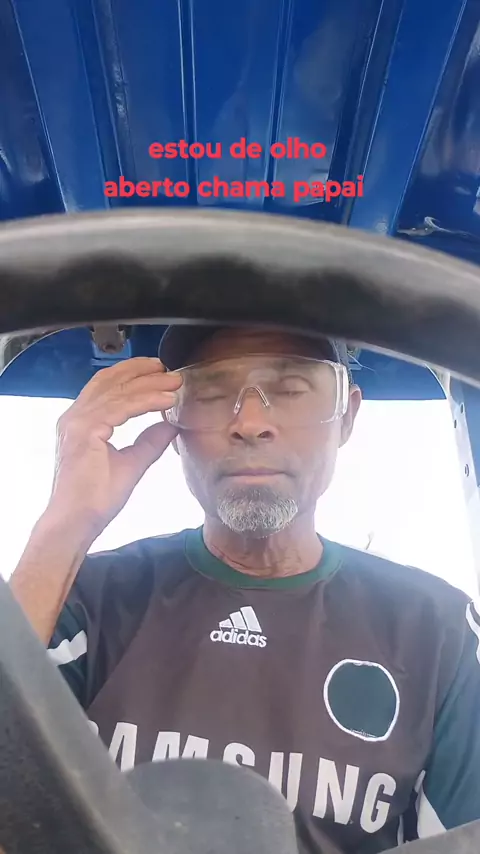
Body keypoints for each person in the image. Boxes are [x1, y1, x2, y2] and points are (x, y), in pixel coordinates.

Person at [10, 323, 480, 854]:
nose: (250, 423)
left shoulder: (436, 632)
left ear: (346, 416)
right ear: (173, 423)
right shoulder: (84, 597)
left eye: (290, 389)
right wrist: (65, 525)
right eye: (211, 394)